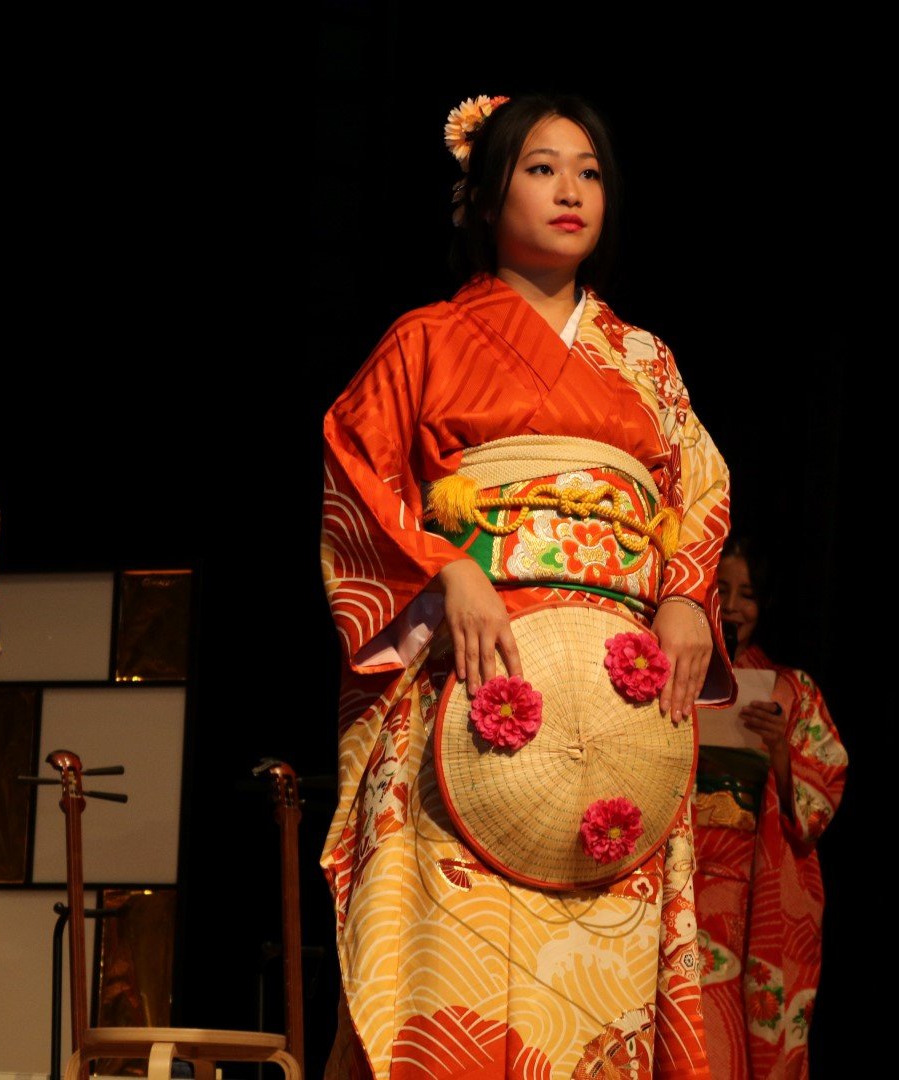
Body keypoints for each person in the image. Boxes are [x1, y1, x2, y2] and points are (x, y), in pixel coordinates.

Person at [318, 93, 732, 1078]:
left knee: (602, 964)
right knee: (454, 945)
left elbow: (700, 485)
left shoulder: (645, 359)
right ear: (485, 193)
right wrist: (446, 567)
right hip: (473, 669)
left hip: (616, 694)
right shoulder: (425, 338)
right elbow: (357, 468)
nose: (570, 191)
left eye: (588, 172)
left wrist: (684, 594)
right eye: (542, 168)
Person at [693, 536, 847, 1080]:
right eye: (723, 591)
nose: (733, 607)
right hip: (681, 877)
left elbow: (821, 794)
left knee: (738, 1036)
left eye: (749, 594)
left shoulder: (792, 690)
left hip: (753, 887)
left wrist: (781, 753)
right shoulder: (676, 676)